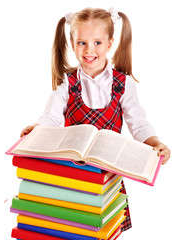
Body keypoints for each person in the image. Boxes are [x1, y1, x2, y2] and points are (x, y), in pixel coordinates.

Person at [20, 7, 171, 233]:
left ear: (110, 43)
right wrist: (37, 129)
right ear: (72, 44)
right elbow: (50, 116)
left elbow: (138, 123)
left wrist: (155, 143)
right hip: (74, 173)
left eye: (97, 43)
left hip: (108, 174)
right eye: (82, 43)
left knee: (104, 227)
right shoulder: (67, 84)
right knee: (74, 226)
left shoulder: (123, 84)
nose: (89, 50)